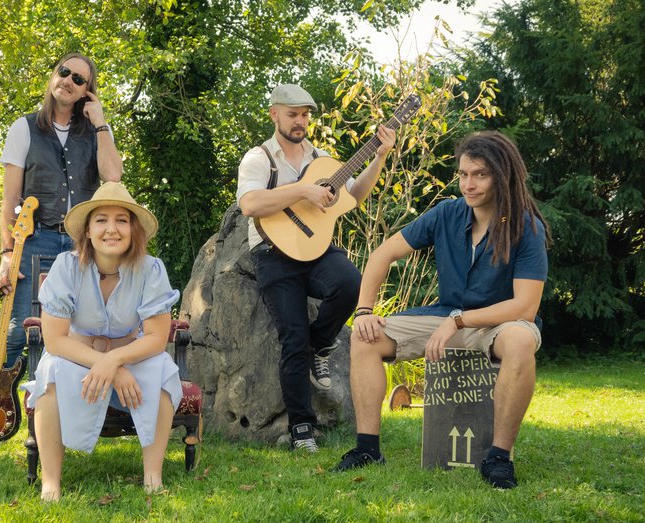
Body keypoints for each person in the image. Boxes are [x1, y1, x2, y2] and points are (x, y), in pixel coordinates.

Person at [335, 131, 551, 489]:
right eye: (464, 174)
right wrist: (363, 310)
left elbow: (525, 307)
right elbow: (382, 255)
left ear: (502, 175)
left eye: (480, 174)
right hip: (447, 315)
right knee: (366, 337)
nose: (469, 184)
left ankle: (498, 458)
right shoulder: (447, 214)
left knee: (520, 341)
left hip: (500, 323)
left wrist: (458, 321)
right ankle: (367, 448)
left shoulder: (526, 226)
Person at [236, 84, 396, 452]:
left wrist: (380, 156)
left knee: (350, 282)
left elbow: (353, 196)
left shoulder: (323, 159)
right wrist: (303, 192)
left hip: (317, 248)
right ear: (274, 114)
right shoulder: (259, 158)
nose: (301, 122)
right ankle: (302, 430)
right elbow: (250, 204)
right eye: (293, 114)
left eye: (305, 115)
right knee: (292, 337)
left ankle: (321, 345)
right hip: (273, 252)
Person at [21, 182, 182, 502]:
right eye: (102, 220)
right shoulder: (66, 267)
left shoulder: (151, 269)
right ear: (89, 231)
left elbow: (156, 337)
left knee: (163, 367)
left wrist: (115, 361)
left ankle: (153, 475)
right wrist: (105, 363)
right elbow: (54, 340)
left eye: (121, 220)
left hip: (132, 355)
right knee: (50, 370)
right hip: (76, 355)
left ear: (133, 228)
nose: (112, 229)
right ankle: (50, 482)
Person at [0, 52, 123, 374]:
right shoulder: (23, 128)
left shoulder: (96, 132)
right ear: (54, 75)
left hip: (82, 245)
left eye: (79, 79)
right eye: (64, 72)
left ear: (86, 91)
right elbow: (9, 198)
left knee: (81, 331)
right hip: (33, 240)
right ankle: (0, 412)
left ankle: (66, 406)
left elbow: (112, 175)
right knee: (17, 331)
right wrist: (7, 253)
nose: (68, 81)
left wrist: (101, 122)